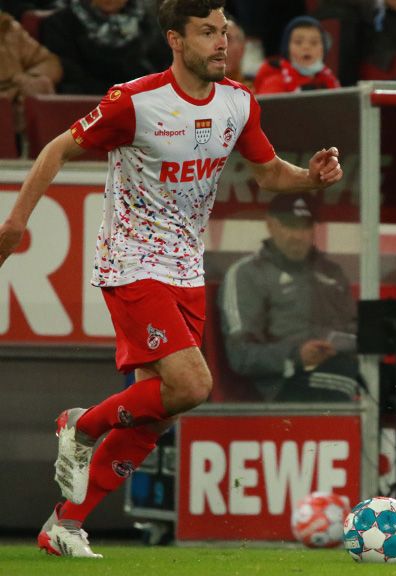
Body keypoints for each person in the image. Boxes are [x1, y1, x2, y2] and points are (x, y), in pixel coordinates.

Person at [0, 0, 343, 558]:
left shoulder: (238, 103)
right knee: (192, 385)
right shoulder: (134, 102)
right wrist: (16, 223)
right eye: (208, 32)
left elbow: (270, 173)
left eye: (226, 32)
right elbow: (57, 148)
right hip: (131, 261)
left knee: (157, 409)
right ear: (175, 40)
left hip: (187, 267)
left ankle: (64, 526)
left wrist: (311, 178)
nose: (222, 43)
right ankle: (82, 425)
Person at [219, 193, 361, 403]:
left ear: (314, 229)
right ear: (270, 224)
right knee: (344, 377)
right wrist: (296, 354)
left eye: (304, 226)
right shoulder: (247, 274)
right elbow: (241, 355)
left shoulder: (332, 272)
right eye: (289, 225)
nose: (298, 235)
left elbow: (355, 330)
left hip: (341, 367)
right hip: (283, 380)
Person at [40, 0, 171, 95]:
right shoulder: (61, 23)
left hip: (142, 102)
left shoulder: (147, 24)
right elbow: (68, 71)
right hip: (84, 103)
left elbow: (162, 68)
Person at [0, 9, 62, 137]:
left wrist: (31, 78)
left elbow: (47, 61)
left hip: (13, 101)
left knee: (40, 85)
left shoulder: (8, 28)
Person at [253, 15, 340, 95]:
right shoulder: (274, 83)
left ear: (323, 50)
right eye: (298, 42)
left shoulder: (330, 81)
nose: (306, 47)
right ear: (287, 49)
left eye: (314, 43)